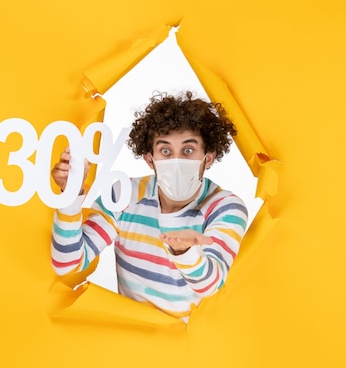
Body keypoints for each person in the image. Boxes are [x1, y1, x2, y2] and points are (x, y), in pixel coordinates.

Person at [50, 91, 248, 322]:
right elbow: (68, 264)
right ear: (149, 158)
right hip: (133, 341)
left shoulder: (225, 208)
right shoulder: (123, 195)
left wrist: (183, 251)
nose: (177, 161)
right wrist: (70, 197)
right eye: (165, 151)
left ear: (209, 157)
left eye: (188, 150)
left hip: (192, 348)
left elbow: (211, 285)